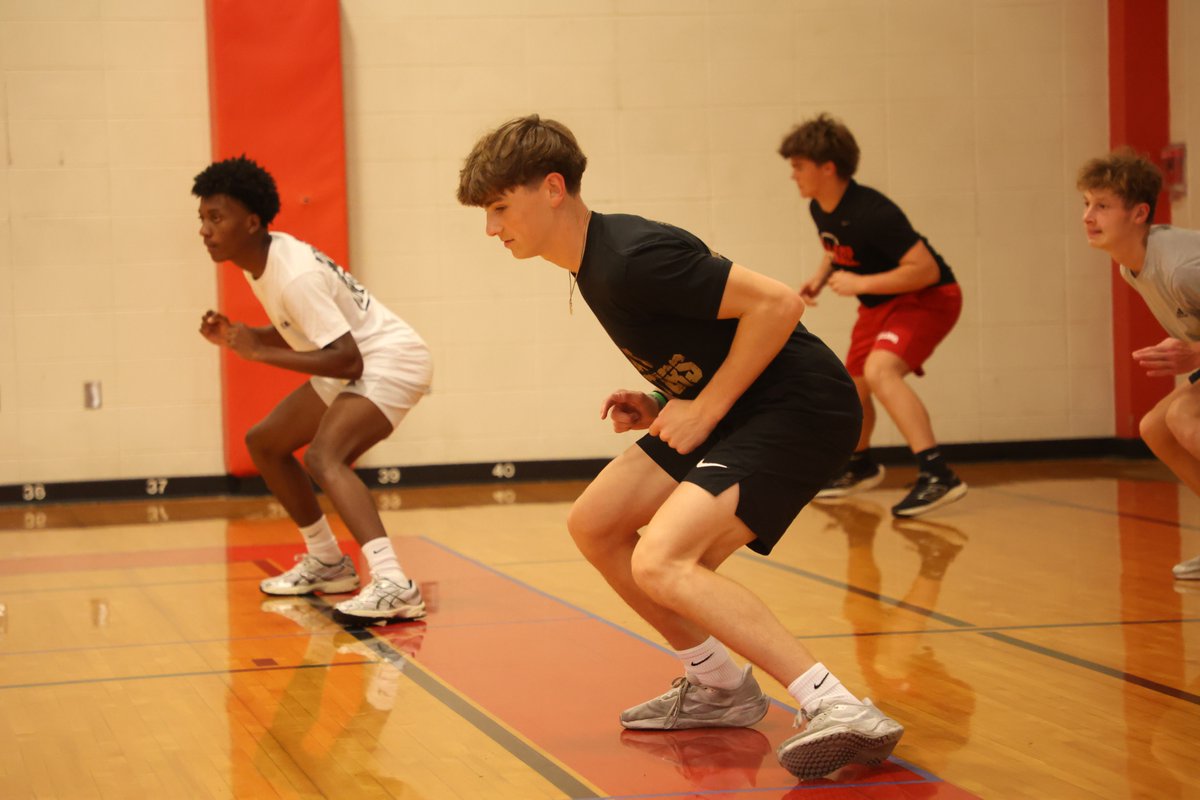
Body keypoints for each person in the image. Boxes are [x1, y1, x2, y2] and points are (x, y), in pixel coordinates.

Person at [456, 114, 904, 781]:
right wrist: (667, 402)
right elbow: (711, 347)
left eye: (499, 208)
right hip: (734, 406)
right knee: (596, 524)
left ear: (552, 188)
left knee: (664, 557)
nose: (492, 229)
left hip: (798, 408)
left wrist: (708, 407)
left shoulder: (634, 256)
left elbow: (779, 306)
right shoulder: (590, 267)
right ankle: (719, 686)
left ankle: (834, 704)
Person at [193, 155, 434, 618]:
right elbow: (304, 331)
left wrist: (258, 352)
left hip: (390, 360)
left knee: (325, 456)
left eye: (215, 217)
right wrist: (242, 336)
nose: (204, 229)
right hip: (359, 361)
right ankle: (327, 562)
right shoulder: (265, 258)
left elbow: (347, 357)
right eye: (202, 218)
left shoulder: (291, 273)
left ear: (252, 221)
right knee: (265, 443)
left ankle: (392, 582)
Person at [779, 114, 967, 517]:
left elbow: (925, 269)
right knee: (854, 385)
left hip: (928, 297)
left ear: (827, 167)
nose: (793, 175)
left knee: (882, 370)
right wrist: (819, 277)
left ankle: (938, 474)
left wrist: (860, 284)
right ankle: (859, 465)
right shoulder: (821, 207)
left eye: (798, 166)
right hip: (882, 304)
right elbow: (837, 247)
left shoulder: (874, 212)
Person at [1078, 148, 1200, 582]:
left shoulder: (1183, 269)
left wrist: (1195, 352)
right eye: (1087, 204)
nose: (1089, 216)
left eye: (1103, 206)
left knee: (1185, 414)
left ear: (1139, 213)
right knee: (1155, 427)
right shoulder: (1132, 265)